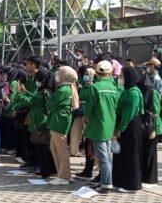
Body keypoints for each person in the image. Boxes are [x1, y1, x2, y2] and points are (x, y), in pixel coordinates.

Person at [83, 60, 120, 194]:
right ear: (110, 73)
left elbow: (88, 109)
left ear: (97, 73)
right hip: (110, 125)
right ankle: (105, 181)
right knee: (107, 157)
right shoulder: (114, 88)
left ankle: (106, 184)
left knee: (103, 157)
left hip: (98, 126)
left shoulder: (95, 88)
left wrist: (87, 118)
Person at [17, 68, 57, 178]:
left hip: (39, 121)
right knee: (46, 147)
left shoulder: (42, 92)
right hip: (45, 120)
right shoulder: (48, 90)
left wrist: (20, 93)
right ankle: (51, 169)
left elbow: (31, 101)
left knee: (40, 147)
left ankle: (45, 171)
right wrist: (26, 92)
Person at [113, 66, 144, 192]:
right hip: (124, 124)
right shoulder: (127, 90)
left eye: (122, 75)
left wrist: (120, 128)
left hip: (131, 126)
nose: (120, 78)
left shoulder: (134, 93)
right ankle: (120, 181)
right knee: (122, 155)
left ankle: (132, 185)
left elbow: (128, 113)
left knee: (132, 156)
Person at [47, 66, 78, 185]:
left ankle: (64, 176)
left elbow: (51, 104)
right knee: (55, 148)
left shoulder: (63, 89)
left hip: (59, 121)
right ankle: (63, 174)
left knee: (61, 150)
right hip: (59, 120)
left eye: (60, 72)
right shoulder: (67, 87)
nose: (57, 74)